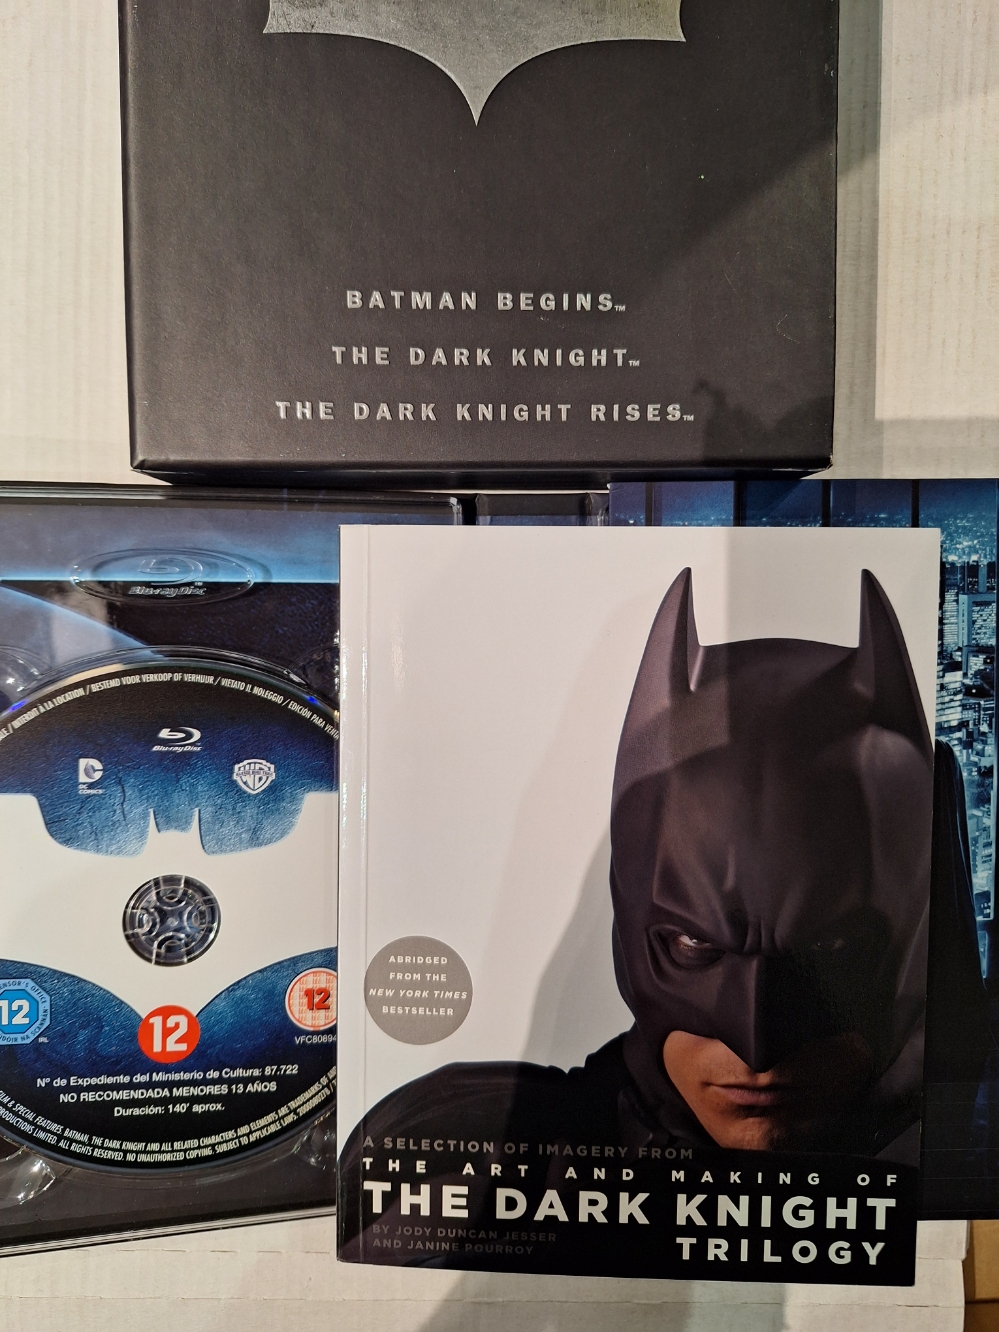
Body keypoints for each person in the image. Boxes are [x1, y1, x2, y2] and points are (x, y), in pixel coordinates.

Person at [339, 568, 935, 1259]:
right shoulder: (458, 1155)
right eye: (692, 944)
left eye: (828, 951)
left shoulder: (959, 1169)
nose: (756, 1045)